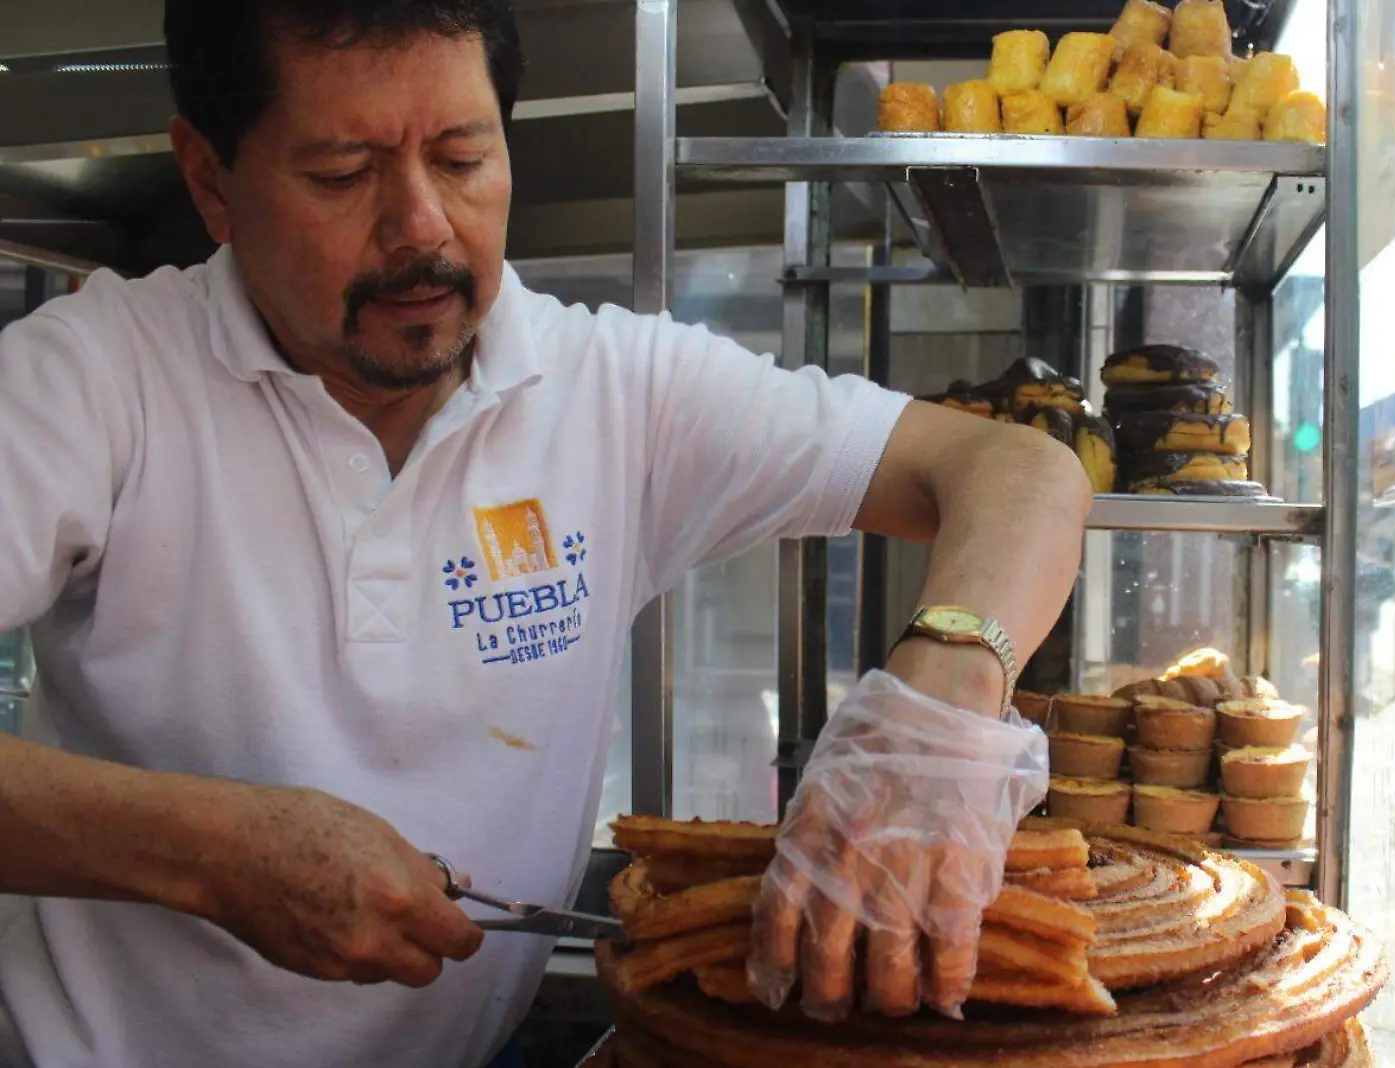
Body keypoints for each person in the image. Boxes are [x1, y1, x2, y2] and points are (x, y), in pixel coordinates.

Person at [0, 3, 1093, 1066]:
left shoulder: (615, 389)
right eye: (342, 174)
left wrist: (937, 706)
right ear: (209, 180)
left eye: (465, 158)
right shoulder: (94, 379)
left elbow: (1017, 470)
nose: (422, 227)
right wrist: (218, 855)